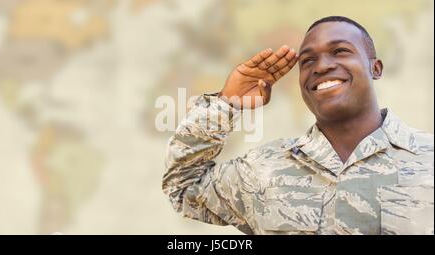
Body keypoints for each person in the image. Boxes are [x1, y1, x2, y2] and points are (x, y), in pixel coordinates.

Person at [162, 16, 434, 235]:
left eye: (340, 51)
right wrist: (226, 103)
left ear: (375, 68)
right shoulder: (261, 170)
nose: (322, 66)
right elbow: (184, 186)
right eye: (308, 61)